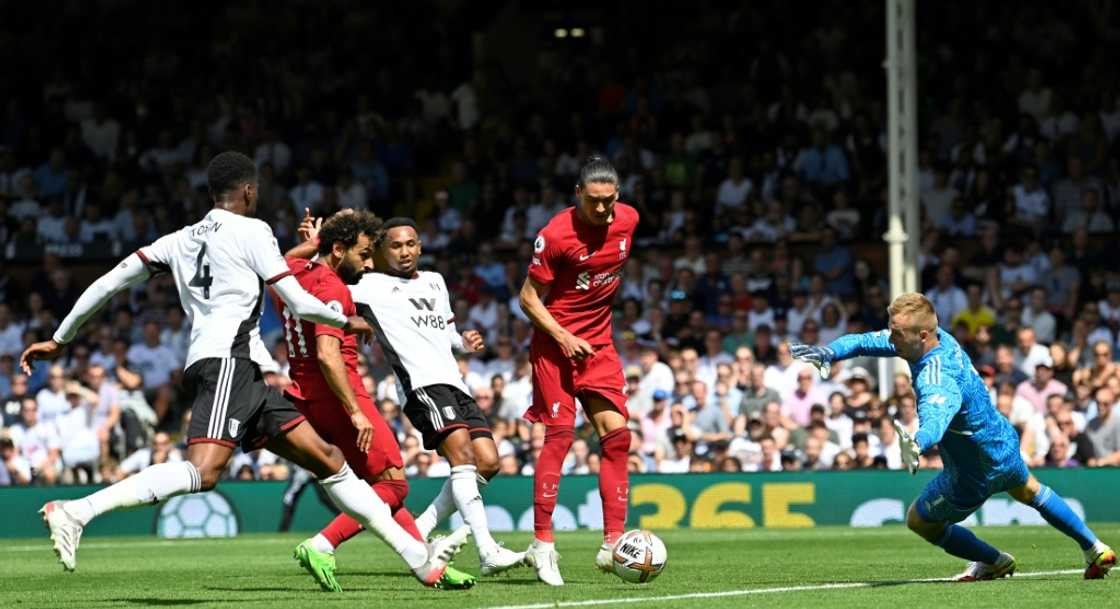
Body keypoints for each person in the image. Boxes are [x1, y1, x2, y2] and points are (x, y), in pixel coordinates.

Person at [20, 151, 466, 586]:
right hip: (227, 363)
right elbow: (298, 301)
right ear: (249, 191)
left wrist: (61, 338)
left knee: (330, 461)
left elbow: (109, 281)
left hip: (245, 371)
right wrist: (346, 320)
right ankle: (77, 511)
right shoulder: (254, 231)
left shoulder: (175, 240)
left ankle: (420, 562)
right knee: (203, 472)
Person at [791, 293, 1115, 580]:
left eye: (896, 333)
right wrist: (829, 352)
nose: (891, 337)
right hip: (1001, 443)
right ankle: (1095, 547)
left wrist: (918, 442)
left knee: (919, 520)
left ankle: (993, 560)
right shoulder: (935, 338)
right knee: (1029, 489)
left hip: (972, 470)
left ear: (921, 335)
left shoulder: (937, 375)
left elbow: (936, 416)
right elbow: (863, 341)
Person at [283, 212, 519, 588]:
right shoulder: (354, 285)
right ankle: (324, 543)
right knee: (396, 484)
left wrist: (315, 245)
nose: (369, 263)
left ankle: (424, 555)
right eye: (370, 253)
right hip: (355, 391)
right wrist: (356, 409)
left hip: (314, 392)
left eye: (411, 244)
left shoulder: (300, 276)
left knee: (403, 480)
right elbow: (328, 348)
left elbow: (284, 266)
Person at [519, 156, 639, 586]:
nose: (602, 209)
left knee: (618, 437)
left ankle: (613, 543)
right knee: (561, 436)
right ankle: (543, 544)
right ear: (577, 195)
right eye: (593, 200)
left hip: (599, 346)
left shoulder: (629, 220)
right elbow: (528, 298)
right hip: (555, 347)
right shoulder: (555, 235)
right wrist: (564, 336)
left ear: (618, 195)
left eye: (609, 200)